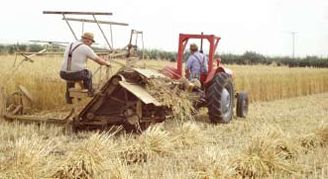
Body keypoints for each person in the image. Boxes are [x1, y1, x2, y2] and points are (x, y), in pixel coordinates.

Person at [59, 32, 111, 104]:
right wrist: (107, 63)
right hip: (76, 74)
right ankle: (90, 91)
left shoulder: (70, 44)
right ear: (87, 40)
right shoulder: (85, 48)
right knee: (88, 72)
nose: (91, 44)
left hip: (63, 73)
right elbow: (99, 61)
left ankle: (69, 97)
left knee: (70, 78)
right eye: (91, 42)